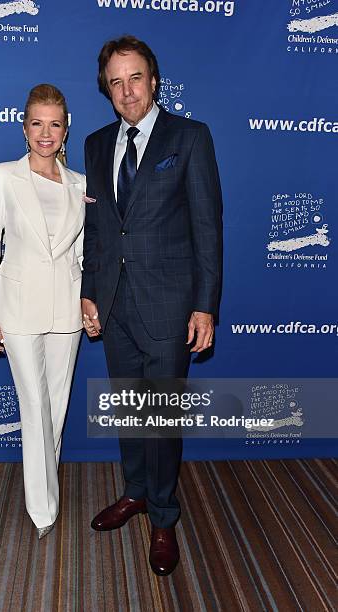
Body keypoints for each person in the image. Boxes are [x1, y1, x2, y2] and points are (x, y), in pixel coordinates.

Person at [81, 36, 223, 575]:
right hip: (114, 306)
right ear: (107, 90)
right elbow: (98, 229)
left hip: (170, 307)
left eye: (134, 77)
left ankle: (163, 515)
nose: (126, 90)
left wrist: (204, 305)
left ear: (154, 79)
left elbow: (208, 229)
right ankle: (136, 491)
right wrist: (89, 291)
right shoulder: (96, 145)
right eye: (115, 82)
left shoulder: (190, 137)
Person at [0, 84, 85, 539]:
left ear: (66, 129)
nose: (46, 132)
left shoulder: (80, 183)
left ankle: (46, 487)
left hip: (67, 309)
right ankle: (43, 507)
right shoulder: (4, 175)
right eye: (37, 123)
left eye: (54, 123)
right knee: (35, 403)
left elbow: (81, 250)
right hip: (17, 308)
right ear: (24, 128)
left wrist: (88, 301)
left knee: (55, 407)